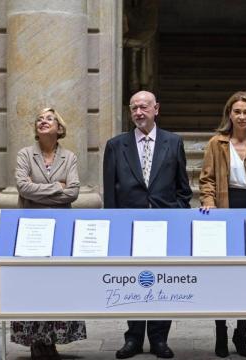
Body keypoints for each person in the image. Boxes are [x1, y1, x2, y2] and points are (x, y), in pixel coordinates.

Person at [103, 91, 192, 359]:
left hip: (165, 226)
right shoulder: (116, 145)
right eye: (134, 108)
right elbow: (110, 191)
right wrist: (114, 224)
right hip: (129, 227)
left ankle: (159, 339)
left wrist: (175, 214)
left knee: (162, 280)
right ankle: (133, 338)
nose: (139, 112)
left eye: (144, 107)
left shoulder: (173, 142)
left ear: (156, 109)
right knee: (133, 281)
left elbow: (183, 189)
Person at [199, 91, 246, 358]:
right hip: (223, 209)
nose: (242, 116)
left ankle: (241, 332)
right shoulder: (216, 143)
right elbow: (206, 179)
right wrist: (209, 203)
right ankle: (220, 330)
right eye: (237, 111)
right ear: (229, 114)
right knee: (221, 274)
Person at [13, 107, 85, 360]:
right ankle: (35, 342)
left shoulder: (70, 157)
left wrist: (39, 190)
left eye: (49, 119)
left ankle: (52, 340)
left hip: (60, 231)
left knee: (57, 285)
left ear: (60, 128)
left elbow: (74, 192)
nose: (43, 121)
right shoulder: (25, 154)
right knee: (33, 285)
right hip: (31, 229)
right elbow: (22, 187)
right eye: (39, 119)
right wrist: (57, 187)